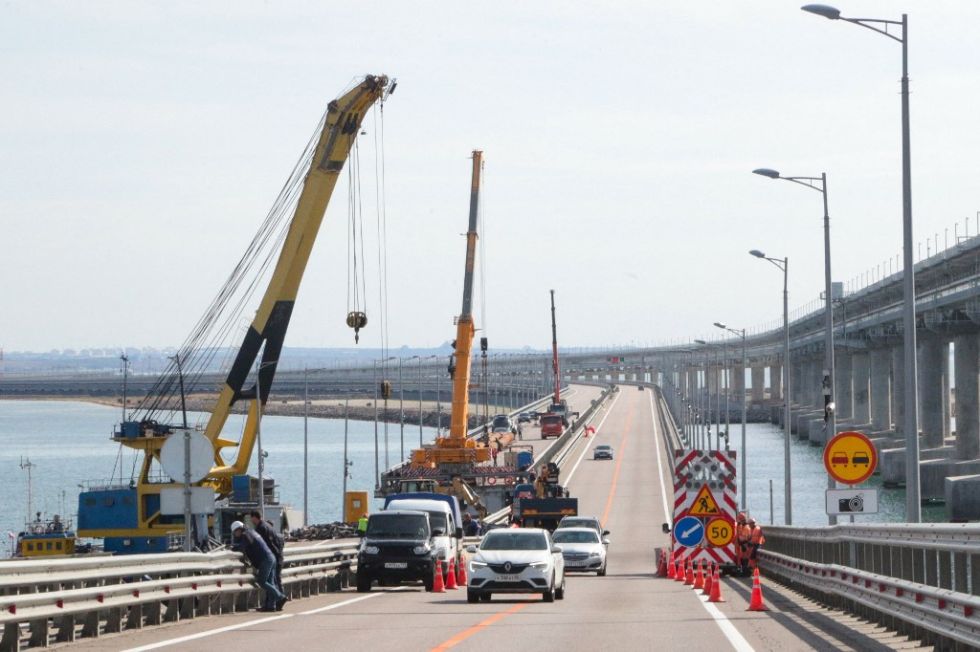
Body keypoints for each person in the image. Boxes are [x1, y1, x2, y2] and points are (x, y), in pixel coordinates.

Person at [231, 520, 286, 612]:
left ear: (239, 529)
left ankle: (280, 597)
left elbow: (242, 547)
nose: (235, 534)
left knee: (262, 581)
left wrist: (233, 548)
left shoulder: (245, 535)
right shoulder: (252, 532)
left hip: (265, 560)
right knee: (270, 582)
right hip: (271, 557)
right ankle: (271, 606)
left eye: (235, 532)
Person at [250, 510, 284, 593]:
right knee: (275, 579)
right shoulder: (268, 526)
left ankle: (280, 597)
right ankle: (279, 597)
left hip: (271, 557)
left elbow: (259, 545)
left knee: (272, 580)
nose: (251, 520)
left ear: (254, 517)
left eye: (251, 518)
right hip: (277, 555)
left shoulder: (261, 528)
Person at [735, 512, 751, 577]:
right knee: (743, 559)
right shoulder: (742, 526)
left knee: (745, 560)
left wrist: (742, 543)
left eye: (739, 520)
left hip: (745, 546)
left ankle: (746, 573)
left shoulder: (746, 528)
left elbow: (745, 538)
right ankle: (744, 572)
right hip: (742, 546)